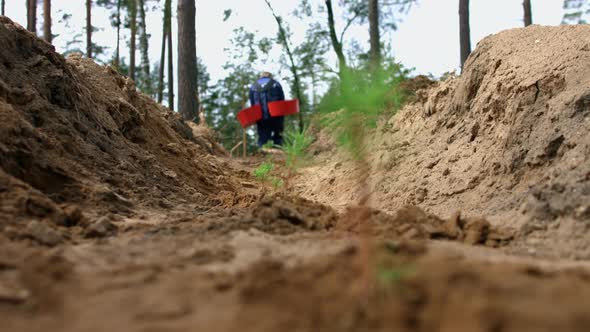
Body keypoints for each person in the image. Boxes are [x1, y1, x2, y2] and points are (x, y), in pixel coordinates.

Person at [249, 72, 285, 148]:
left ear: (260, 77)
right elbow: (282, 100)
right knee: (278, 136)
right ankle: (279, 154)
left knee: (262, 138)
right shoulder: (276, 84)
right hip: (276, 114)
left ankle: (262, 155)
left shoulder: (253, 86)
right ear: (270, 76)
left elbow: (252, 103)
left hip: (260, 116)